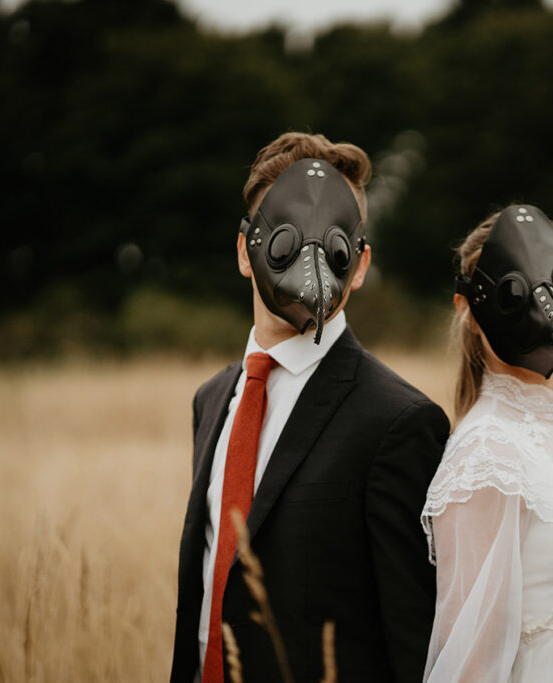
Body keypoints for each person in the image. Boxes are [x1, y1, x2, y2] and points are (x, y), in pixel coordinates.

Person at [170, 132, 449, 683]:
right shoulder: (211, 400)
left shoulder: (399, 422)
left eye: (335, 242)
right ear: (246, 254)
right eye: (287, 236)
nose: (310, 258)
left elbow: (412, 638)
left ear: (360, 263)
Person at [422, 205, 553, 682]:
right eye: (515, 292)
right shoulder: (486, 451)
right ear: (469, 311)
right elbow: (470, 656)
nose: (542, 309)